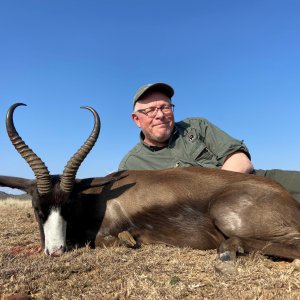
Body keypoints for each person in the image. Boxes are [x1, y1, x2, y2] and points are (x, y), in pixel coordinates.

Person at [119, 82, 300, 202]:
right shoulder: (131, 166)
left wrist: (213, 194)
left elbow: (241, 161)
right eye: (150, 110)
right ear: (136, 119)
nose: (160, 115)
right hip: (212, 214)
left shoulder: (197, 125)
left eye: (165, 107)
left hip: (254, 181)